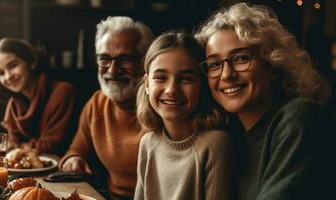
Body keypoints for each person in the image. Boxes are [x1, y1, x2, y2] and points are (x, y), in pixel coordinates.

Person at [196, 3, 336, 200]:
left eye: (241, 58)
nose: (226, 75)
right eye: (214, 64)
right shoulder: (230, 136)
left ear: (272, 64)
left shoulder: (301, 118)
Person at [59, 16, 154, 200]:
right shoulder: (97, 103)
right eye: (104, 59)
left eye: (125, 59)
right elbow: (77, 150)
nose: (112, 70)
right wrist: (74, 159)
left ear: (145, 61)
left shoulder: (162, 105)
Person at [134, 31, 233, 200]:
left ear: (202, 86)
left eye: (186, 79)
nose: (171, 90)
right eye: (161, 77)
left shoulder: (215, 144)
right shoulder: (148, 143)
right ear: (147, 84)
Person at [0, 38, 77, 155]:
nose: (8, 76)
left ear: (31, 62)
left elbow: (51, 147)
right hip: (30, 170)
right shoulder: (14, 103)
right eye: (1, 73)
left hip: (66, 168)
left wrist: (17, 147)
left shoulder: (63, 92)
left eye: (13, 65)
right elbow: (12, 144)